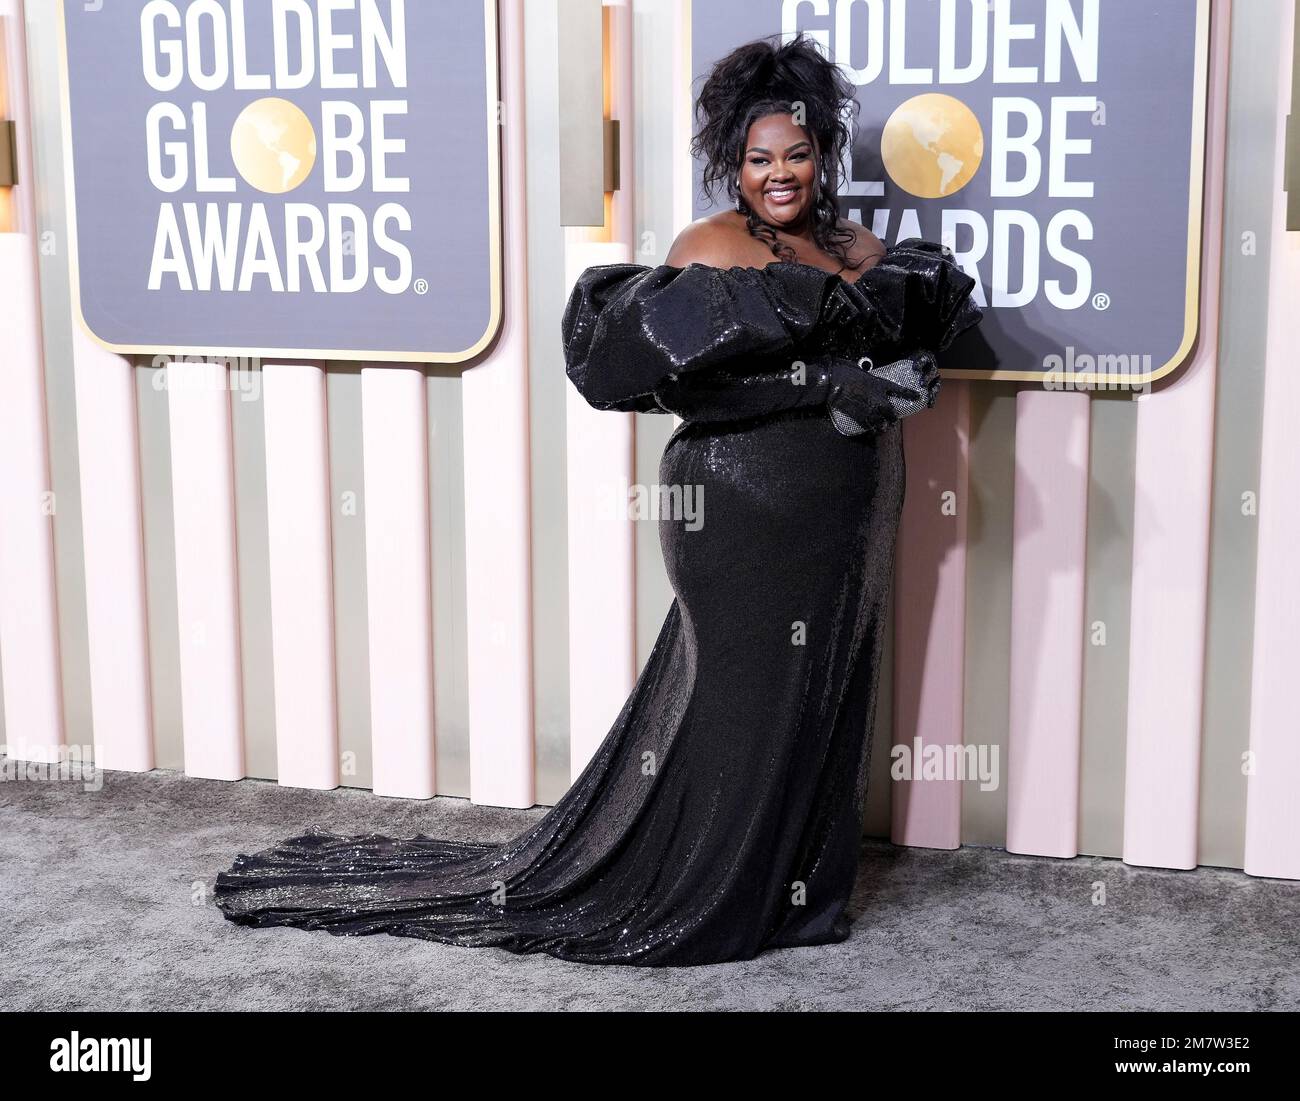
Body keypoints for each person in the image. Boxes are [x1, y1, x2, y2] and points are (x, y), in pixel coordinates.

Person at [213, 34, 983, 967]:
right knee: (742, 704)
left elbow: (903, 348)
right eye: (757, 158)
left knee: (825, 691)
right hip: (744, 506)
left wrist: (889, 376)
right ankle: (711, 888)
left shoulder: (866, 250)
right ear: (730, 164)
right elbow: (690, 391)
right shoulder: (709, 247)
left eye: (796, 153)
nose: (779, 174)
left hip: (853, 509)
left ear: (823, 151)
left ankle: (791, 890)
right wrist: (827, 388)